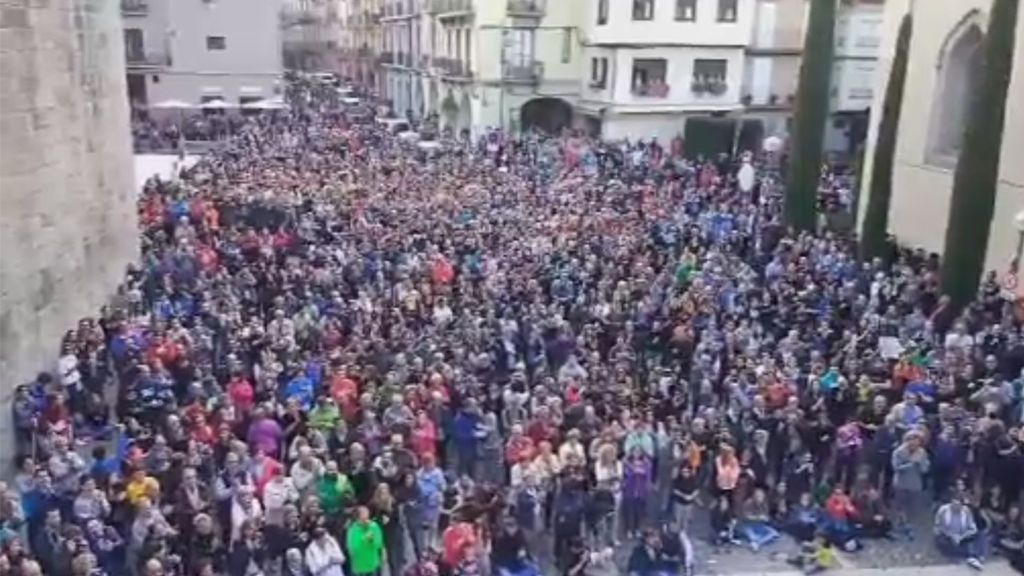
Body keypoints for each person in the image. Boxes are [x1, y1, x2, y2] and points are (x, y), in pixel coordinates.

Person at [934, 494, 985, 570]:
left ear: (961, 505)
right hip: (947, 535)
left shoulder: (966, 511)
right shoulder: (943, 510)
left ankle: (972, 557)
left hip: (962, 536)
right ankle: (959, 555)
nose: (955, 507)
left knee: (979, 535)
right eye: (953, 504)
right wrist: (951, 535)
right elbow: (938, 526)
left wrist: (961, 536)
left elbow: (972, 528)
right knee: (940, 539)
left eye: (957, 504)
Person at [346, 506, 385, 576]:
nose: (366, 520)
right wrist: (364, 539)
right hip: (359, 567)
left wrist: (371, 540)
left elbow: (379, 544)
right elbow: (351, 548)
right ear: (357, 518)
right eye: (363, 518)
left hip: (372, 564)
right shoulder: (353, 529)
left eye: (366, 517)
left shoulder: (374, 527)